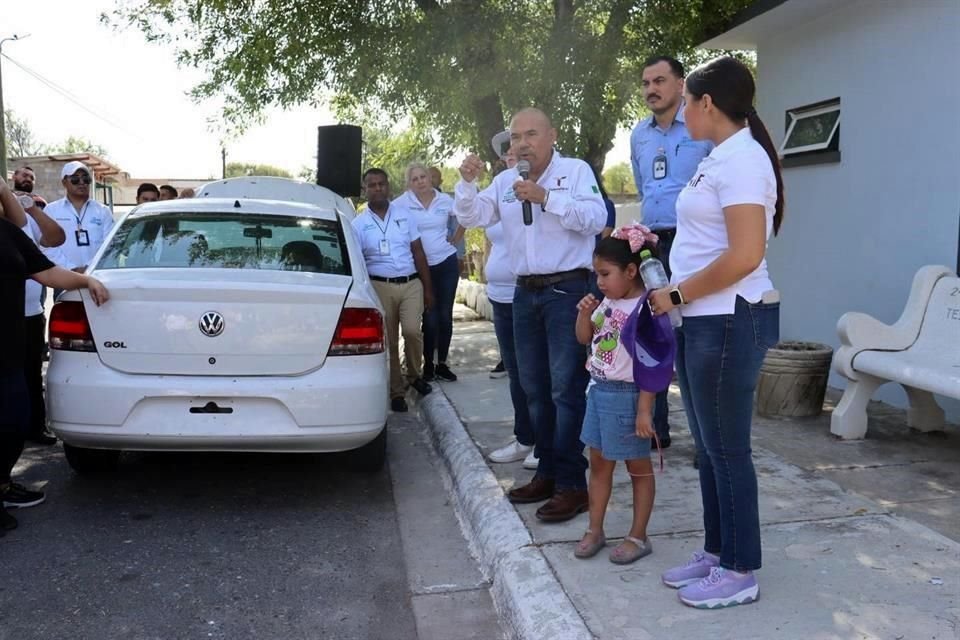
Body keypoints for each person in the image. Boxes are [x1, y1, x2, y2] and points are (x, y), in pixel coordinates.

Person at [648, 56, 784, 609]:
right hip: (705, 320)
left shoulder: (744, 161)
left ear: (706, 104)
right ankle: (716, 550)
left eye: (686, 102)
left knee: (727, 450)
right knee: (708, 448)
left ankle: (739, 569)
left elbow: (747, 254)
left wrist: (678, 293)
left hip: (731, 317)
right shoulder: (720, 157)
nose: (681, 111)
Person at [455, 107, 607, 523]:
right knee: (534, 387)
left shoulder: (574, 172)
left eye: (531, 134)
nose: (522, 143)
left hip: (567, 292)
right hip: (525, 295)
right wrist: (466, 184)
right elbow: (471, 217)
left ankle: (573, 484)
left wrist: (546, 198)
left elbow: (597, 217)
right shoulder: (505, 181)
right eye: (516, 137)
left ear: (552, 135)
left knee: (565, 389)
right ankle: (547, 471)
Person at [0, 176, 110, 535]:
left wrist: (86, 281)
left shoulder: (9, 233)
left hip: (9, 349)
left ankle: (2, 485)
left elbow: (45, 270)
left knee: (17, 419)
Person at [574, 226, 675, 564]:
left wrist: (645, 409)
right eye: (596, 274)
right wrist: (584, 314)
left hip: (629, 396)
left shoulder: (647, 307)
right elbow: (583, 338)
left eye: (605, 274)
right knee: (599, 464)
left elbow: (654, 363)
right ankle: (595, 529)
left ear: (631, 271)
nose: (599, 281)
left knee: (638, 468)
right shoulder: (608, 302)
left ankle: (638, 535)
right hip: (599, 392)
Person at [630, 55, 713, 451]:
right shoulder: (638, 137)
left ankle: (706, 442)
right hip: (652, 246)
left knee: (697, 335)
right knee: (656, 333)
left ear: (681, 84)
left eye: (660, 80)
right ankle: (657, 432)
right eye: (646, 83)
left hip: (695, 243)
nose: (651, 89)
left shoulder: (702, 127)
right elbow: (643, 187)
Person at [352, 168, 434, 413]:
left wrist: (428, 289)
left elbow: (418, 252)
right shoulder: (358, 224)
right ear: (364, 190)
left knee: (411, 331)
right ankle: (396, 392)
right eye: (372, 185)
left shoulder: (405, 215)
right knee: (389, 340)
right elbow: (358, 262)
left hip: (410, 283)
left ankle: (414, 375)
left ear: (388, 186)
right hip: (379, 286)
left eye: (381, 184)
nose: (377, 189)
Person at [394, 163, 463, 382]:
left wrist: (457, 237)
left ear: (430, 178)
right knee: (429, 316)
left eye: (423, 177)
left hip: (446, 263)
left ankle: (442, 363)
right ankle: (428, 366)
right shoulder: (402, 203)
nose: (420, 181)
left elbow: (465, 216)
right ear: (409, 183)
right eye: (414, 179)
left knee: (445, 315)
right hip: (421, 267)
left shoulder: (444, 200)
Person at [16, 176, 68, 446]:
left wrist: (31, 207)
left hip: (30, 313)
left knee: (31, 374)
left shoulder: (26, 223)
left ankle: (35, 427)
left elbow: (56, 237)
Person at [44, 161, 115, 275]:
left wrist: (89, 267)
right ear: (64, 182)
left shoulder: (103, 211)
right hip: (63, 277)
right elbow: (46, 246)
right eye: (75, 179)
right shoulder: (51, 210)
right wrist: (71, 269)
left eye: (85, 178)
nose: (82, 182)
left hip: (97, 275)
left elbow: (111, 245)